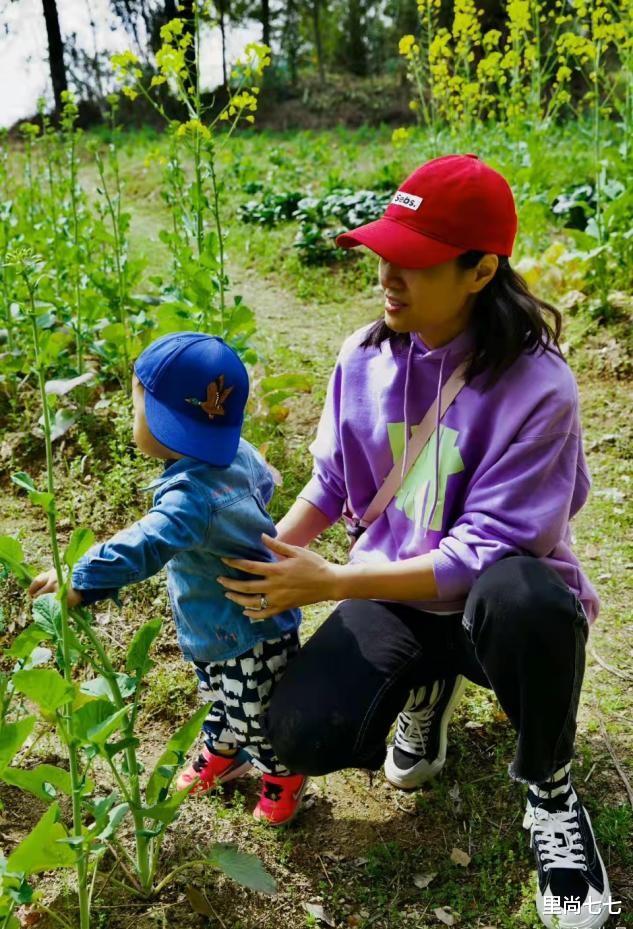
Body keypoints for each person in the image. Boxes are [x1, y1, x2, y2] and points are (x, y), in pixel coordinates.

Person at [215, 155, 611, 928]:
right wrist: (259, 563)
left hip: (484, 607)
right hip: (392, 593)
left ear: (479, 271)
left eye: (416, 262)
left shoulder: (539, 387)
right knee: (297, 734)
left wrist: (332, 582)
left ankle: (549, 787)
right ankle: (423, 692)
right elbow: (330, 483)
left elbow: (481, 552)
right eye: (383, 253)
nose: (387, 276)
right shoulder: (361, 358)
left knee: (527, 598)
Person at [28, 332, 308, 826]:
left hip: (245, 634)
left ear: (157, 419)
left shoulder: (189, 498)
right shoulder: (237, 452)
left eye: (136, 406)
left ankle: (282, 774)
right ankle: (225, 752)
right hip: (219, 626)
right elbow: (263, 480)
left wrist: (82, 577)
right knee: (219, 697)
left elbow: (147, 543)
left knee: (255, 712)